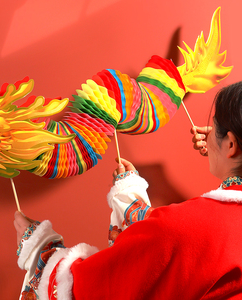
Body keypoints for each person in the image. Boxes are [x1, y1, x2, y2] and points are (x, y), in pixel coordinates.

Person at [14, 81, 242, 299]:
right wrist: (221, 148)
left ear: (231, 144)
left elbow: (91, 288)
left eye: (215, 127)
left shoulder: (191, 228)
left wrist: (38, 246)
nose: (209, 131)